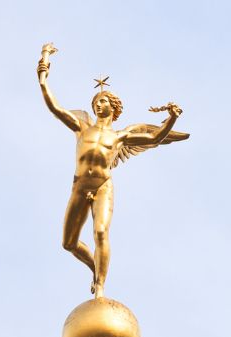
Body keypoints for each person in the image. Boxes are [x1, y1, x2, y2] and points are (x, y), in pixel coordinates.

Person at [37, 43, 188, 296]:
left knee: (100, 232)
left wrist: (171, 118)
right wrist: (43, 74)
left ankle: (100, 287)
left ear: (114, 107)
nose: (99, 104)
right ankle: (95, 268)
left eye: (104, 100)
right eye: (96, 101)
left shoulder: (121, 136)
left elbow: (153, 138)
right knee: (69, 243)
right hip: (79, 185)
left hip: (102, 186)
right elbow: (55, 107)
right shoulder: (81, 126)